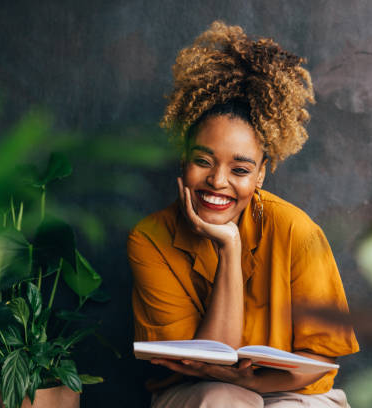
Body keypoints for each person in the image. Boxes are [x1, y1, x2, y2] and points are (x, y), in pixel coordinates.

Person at [127, 21, 359, 408]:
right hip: (195, 395)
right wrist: (231, 247)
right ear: (184, 160)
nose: (218, 181)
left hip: (294, 395)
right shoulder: (149, 238)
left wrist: (255, 388)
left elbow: (322, 361)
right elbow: (196, 365)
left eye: (239, 170)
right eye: (203, 161)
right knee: (221, 399)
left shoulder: (297, 231)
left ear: (262, 172)